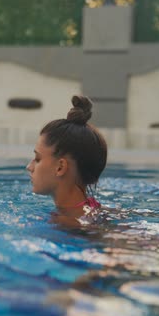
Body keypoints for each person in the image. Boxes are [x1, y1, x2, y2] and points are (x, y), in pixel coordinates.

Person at [26, 95, 107, 227]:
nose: (29, 167)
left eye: (37, 159)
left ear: (60, 167)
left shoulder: (68, 223)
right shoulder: (95, 212)